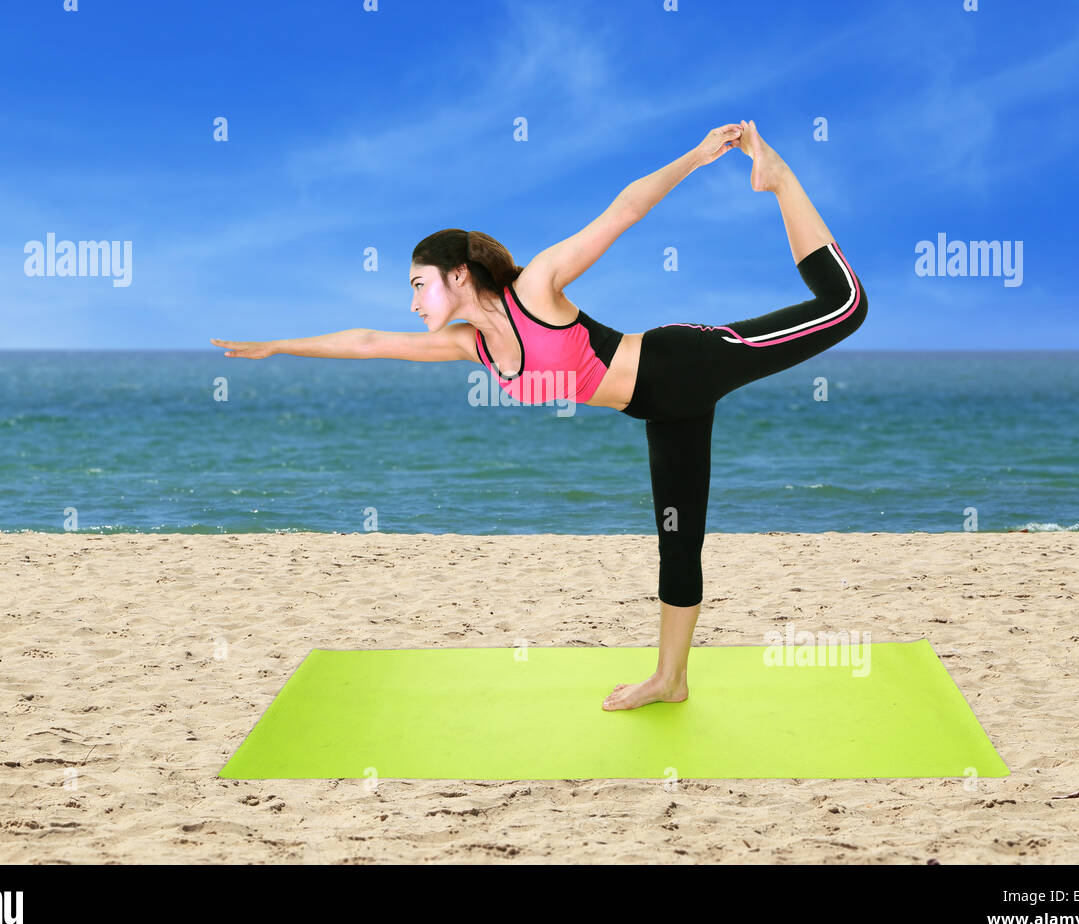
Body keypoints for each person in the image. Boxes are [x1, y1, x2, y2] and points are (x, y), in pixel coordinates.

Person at [212, 121, 867, 711]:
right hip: (661, 411)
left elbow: (624, 211)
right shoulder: (471, 346)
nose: (412, 303)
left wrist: (696, 157)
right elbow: (366, 341)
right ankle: (671, 679)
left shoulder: (537, 288)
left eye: (419, 285)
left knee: (847, 303)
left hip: (689, 363)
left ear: (459, 276)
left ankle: (778, 178)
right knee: (678, 542)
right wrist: (278, 344)